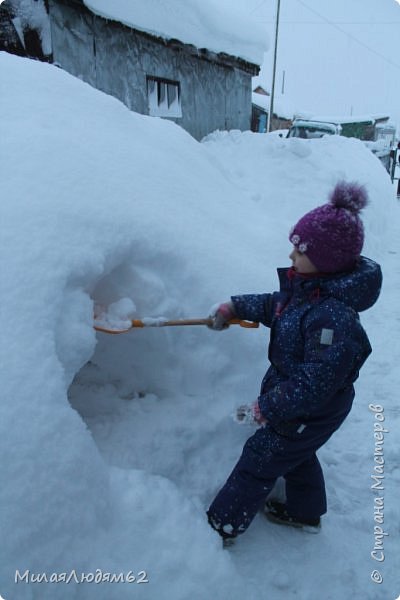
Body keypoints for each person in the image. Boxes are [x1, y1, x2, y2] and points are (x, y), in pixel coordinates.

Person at [206, 181, 382, 543]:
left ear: (326, 263)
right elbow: (276, 305)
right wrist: (235, 307)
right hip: (303, 402)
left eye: (299, 251)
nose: (291, 257)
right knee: (297, 454)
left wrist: (267, 408)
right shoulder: (309, 290)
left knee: (261, 455)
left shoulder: (333, 317)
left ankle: (221, 526)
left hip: (312, 408)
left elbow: (315, 382)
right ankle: (305, 513)